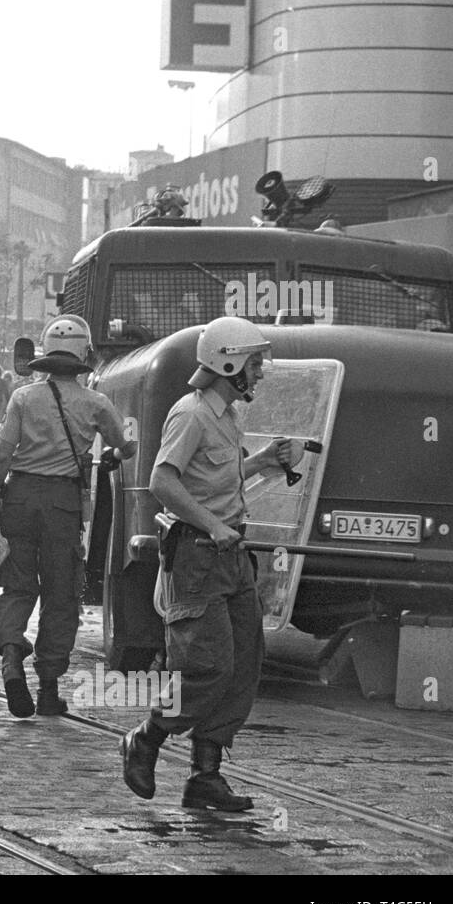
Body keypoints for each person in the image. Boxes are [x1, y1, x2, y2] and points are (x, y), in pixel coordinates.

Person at [120, 316, 300, 811]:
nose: (261, 371)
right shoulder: (191, 414)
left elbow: (211, 481)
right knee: (206, 666)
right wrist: (213, 526)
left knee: (242, 664)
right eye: (255, 362)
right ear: (230, 363)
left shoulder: (226, 416)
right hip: (198, 557)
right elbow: (163, 481)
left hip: (231, 558)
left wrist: (260, 461)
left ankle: (205, 777)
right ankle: (147, 738)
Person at [0, 317, 137, 718]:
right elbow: (125, 448)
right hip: (62, 505)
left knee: (16, 588)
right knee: (60, 595)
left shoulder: (22, 398)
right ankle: (49, 689)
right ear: (84, 356)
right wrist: (122, 448)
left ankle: (10, 660)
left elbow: (2, 453)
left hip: (18, 498)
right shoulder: (96, 403)